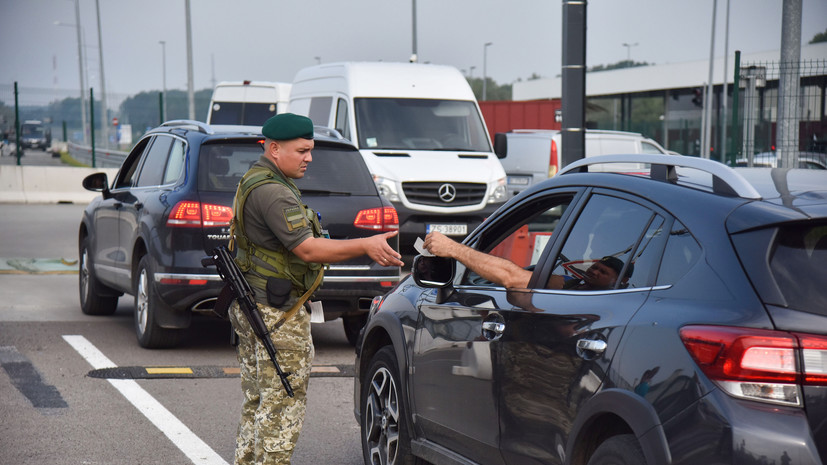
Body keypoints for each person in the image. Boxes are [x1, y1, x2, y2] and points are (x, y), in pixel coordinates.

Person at [228, 113, 403, 465]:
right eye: (302, 150)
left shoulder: (256, 179)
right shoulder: (274, 192)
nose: (309, 158)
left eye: (311, 150)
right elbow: (307, 249)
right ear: (274, 149)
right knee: (281, 407)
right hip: (276, 314)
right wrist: (365, 245)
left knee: (259, 402)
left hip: (256, 306)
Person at [423, 231, 631, 290]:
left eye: (603, 273)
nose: (594, 272)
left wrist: (453, 249)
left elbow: (512, 278)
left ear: (621, 282)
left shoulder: (617, 301)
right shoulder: (568, 283)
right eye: (595, 267)